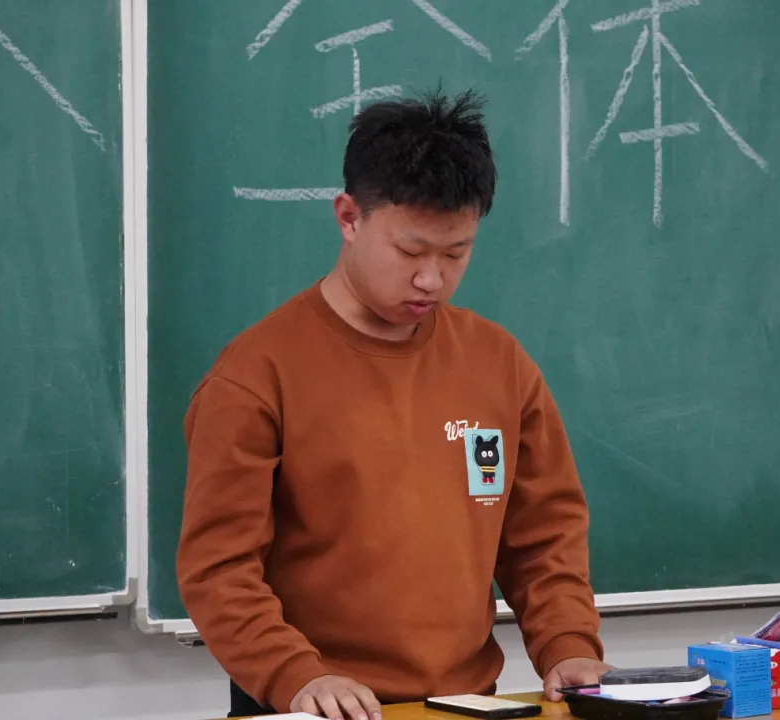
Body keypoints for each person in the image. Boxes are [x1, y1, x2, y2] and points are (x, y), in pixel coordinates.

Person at [176, 88, 611, 720]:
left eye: (456, 253)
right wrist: (295, 675)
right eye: (410, 252)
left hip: (467, 704)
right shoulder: (256, 375)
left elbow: (544, 537)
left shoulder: (498, 363)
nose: (432, 278)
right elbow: (219, 568)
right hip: (311, 706)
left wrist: (567, 645)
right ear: (349, 217)